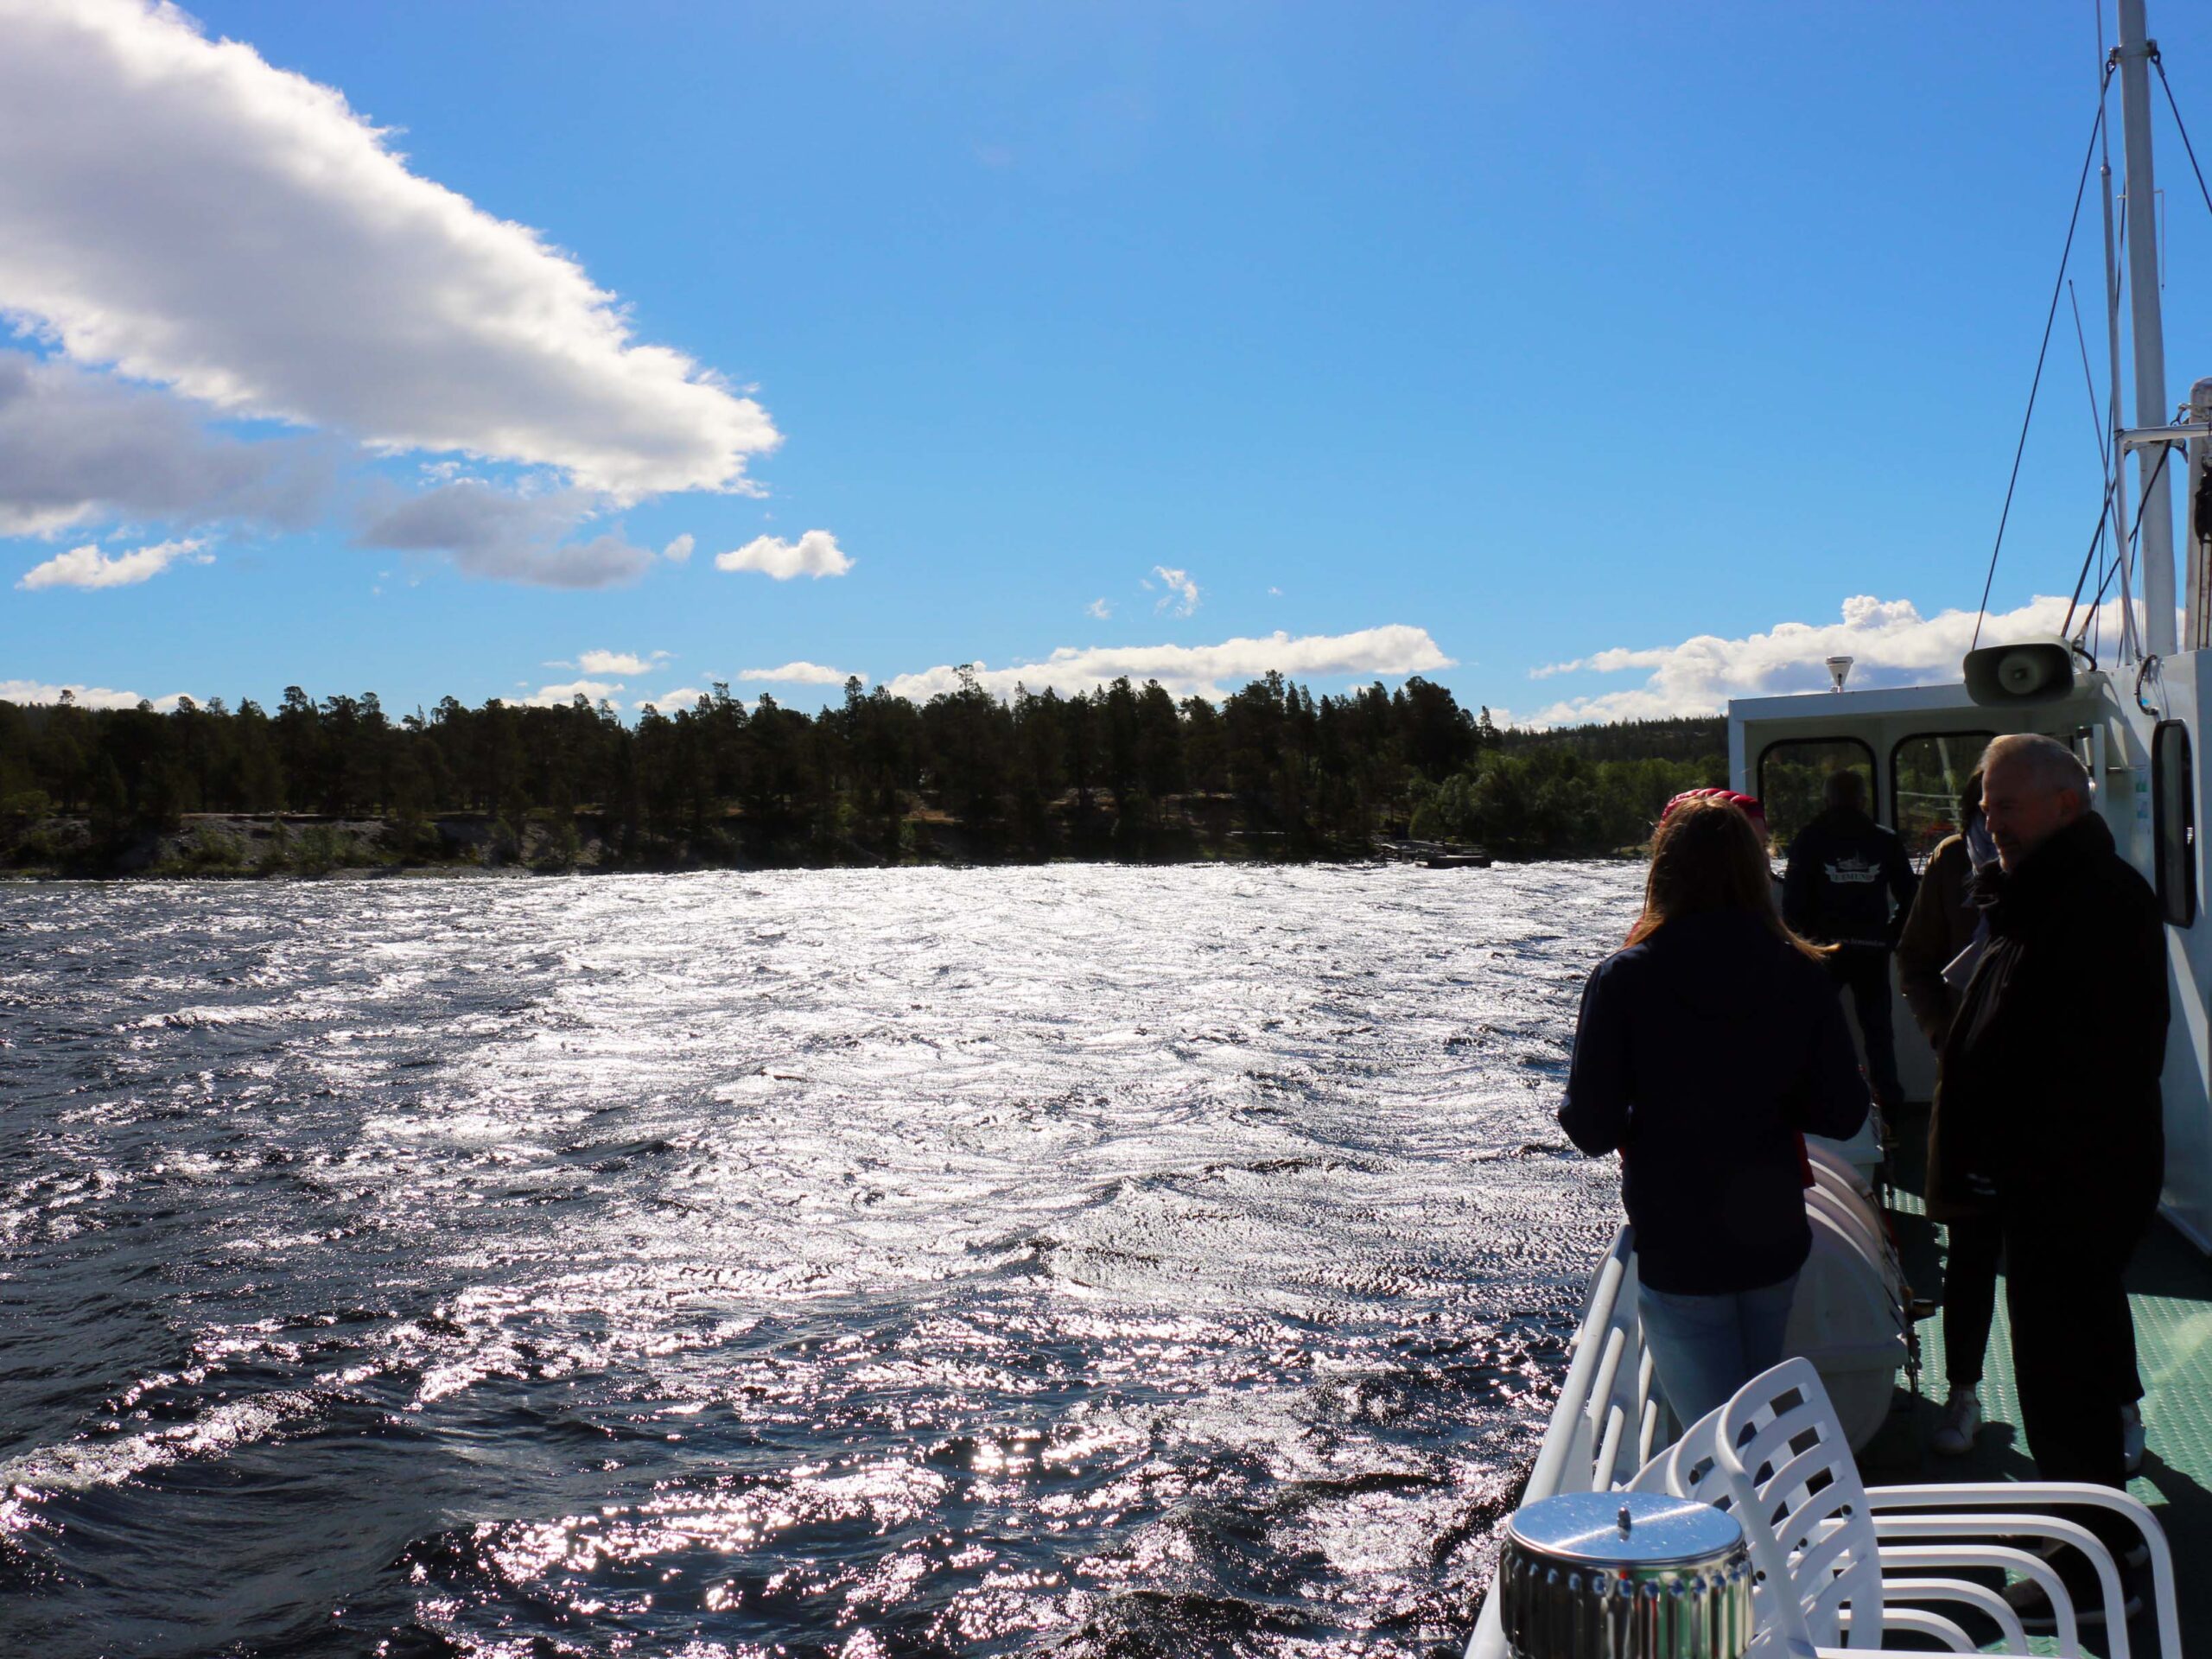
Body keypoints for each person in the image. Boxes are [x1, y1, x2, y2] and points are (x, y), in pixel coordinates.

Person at [1940, 734, 2167, 1624]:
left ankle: (2096, 1576)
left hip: (2072, 1181)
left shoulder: (2091, 900)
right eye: (1986, 805)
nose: (1987, 821)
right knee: (2060, 1373)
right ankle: (2084, 1540)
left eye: (2003, 805)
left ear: (2065, 804)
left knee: (2064, 1383)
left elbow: (2084, 1055)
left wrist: (2011, 1139)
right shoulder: (2050, 893)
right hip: (2053, 1178)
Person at [1560, 796, 1870, 1428]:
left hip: (1681, 1239)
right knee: (1756, 1412)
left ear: (1664, 869)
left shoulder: (1624, 978)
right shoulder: (1801, 973)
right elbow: (1841, 1112)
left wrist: (1645, 1128)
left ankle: (1753, 1522)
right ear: (1757, 870)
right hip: (1773, 1233)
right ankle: (1776, 1517)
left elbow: (1589, 1126)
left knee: (1716, 1441)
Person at [1894, 772, 2000, 1456]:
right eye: (1989, 808)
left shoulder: (2083, 872)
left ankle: (2118, 1402)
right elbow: (1918, 958)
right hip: (1976, 1086)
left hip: (2060, 1098)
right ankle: (1964, 1391)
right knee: (1972, 1247)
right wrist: (1945, 1035)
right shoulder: (1955, 863)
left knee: (2077, 1257)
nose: (1998, 821)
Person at [1783, 770, 1917, 1118]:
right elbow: (1910, 896)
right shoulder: (1884, 839)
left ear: (1827, 800)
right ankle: (1891, 1109)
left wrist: (1804, 944)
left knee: (1816, 1029)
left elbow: (1793, 903)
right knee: (1878, 1033)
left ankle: (1822, 1107)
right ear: (1862, 800)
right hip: (1871, 948)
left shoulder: (1810, 839)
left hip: (1823, 950)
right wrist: (1889, 935)